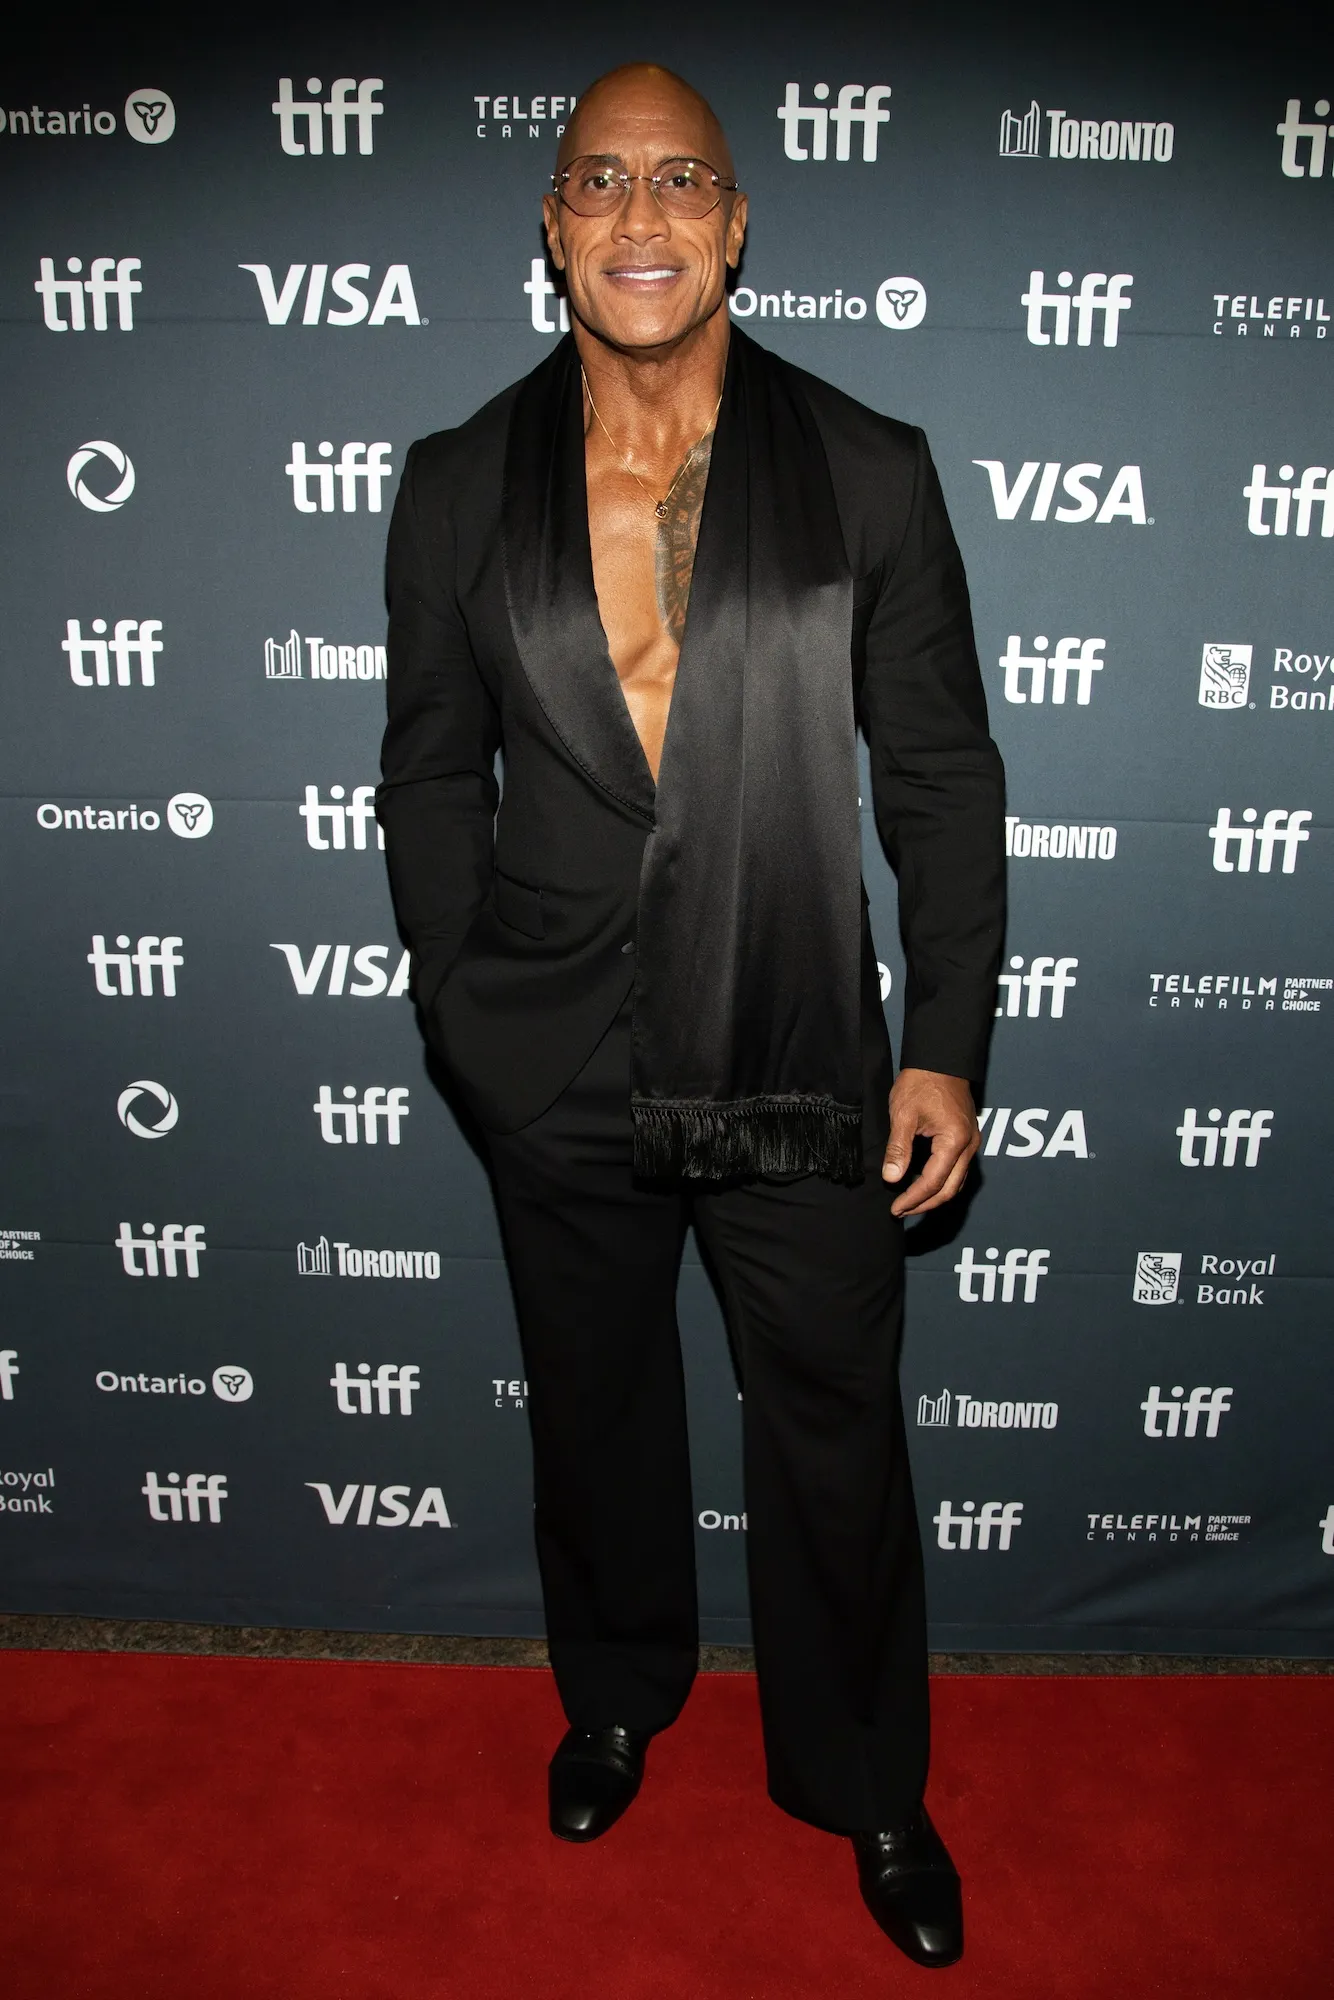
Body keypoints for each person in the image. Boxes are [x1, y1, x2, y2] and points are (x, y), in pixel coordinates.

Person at [376, 62, 1004, 1969]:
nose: (637, 216)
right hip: (549, 1046)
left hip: (790, 1032)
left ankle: (867, 1781)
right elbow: (428, 771)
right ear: (552, 224)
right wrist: (458, 999)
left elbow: (938, 776)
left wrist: (943, 1040)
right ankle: (615, 1695)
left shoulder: (869, 465)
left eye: (678, 181)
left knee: (833, 1427)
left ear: (735, 223)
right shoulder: (455, 479)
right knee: (593, 1411)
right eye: (599, 182)